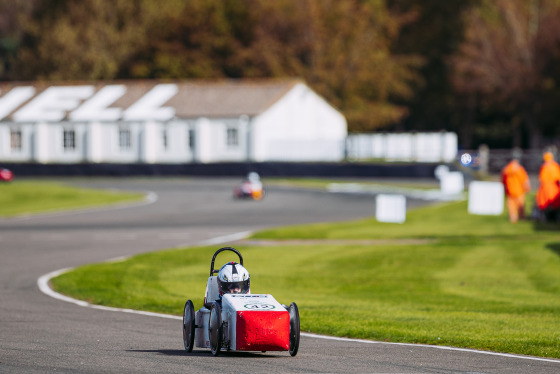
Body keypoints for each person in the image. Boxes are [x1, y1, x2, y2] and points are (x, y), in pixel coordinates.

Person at [501, 158, 531, 223]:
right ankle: (522, 217)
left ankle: (513, 218)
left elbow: (503, 180)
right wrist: (527, 188)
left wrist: (505, 189)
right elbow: (524, 180)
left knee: (511, 205)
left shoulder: (506, 169)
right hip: (519, 190)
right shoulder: (520, 169)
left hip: (510, 190)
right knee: (520, 205)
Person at [536, 151, 560, 221]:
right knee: (554, 204)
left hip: (548, 188)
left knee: (546, 204)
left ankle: (547, 217)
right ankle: (553, 217)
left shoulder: (545, 167)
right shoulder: (555, 166)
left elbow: (541, 179)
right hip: (554, 188)